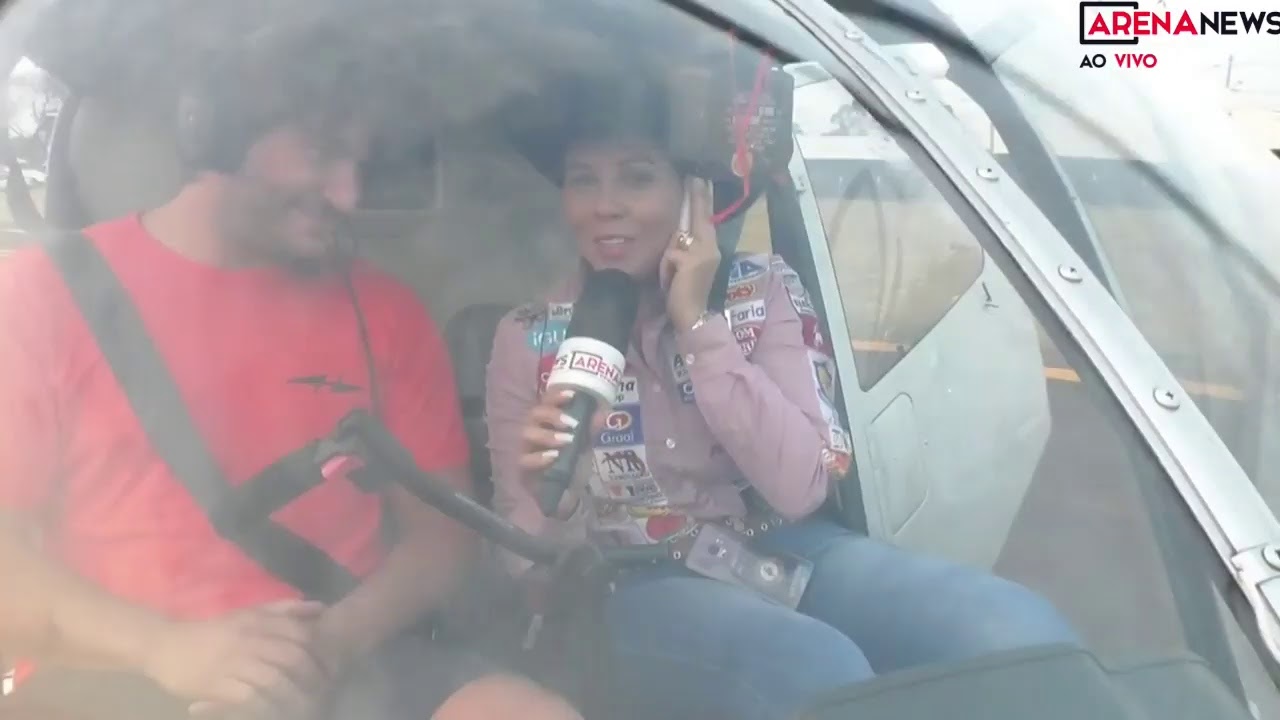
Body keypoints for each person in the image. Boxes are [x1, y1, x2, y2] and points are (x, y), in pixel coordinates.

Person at [0, 30, 580, 720]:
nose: (348, 193)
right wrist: (167, 649)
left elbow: (443, 538)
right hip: (116, 669)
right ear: (217, 129)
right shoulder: (37, 295)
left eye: (361, 163)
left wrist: (330, 646)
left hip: (344, 665)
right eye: (322, 153)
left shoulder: (386, 313)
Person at [484, 76, 1083, 720]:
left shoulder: (760, 290)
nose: (605, 206)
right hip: (635, 577)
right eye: (583, 181)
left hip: (784, 544)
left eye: (636, 177)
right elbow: (529, 569)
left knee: (1008, 625)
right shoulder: (530, 337)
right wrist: (557, 493)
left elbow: (801, 488)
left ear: (692, 195)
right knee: (813, 668)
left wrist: (698, 327)